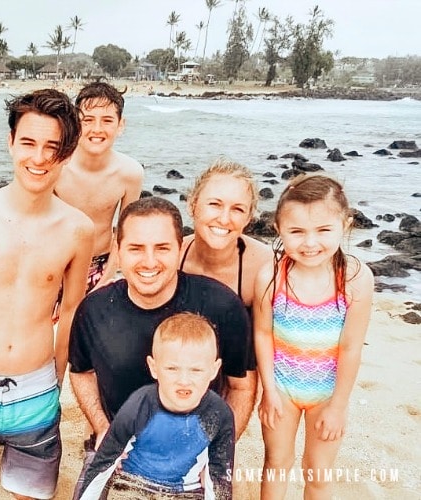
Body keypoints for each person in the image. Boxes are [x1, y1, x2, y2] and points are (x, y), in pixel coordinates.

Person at [0, 88, 95, 499]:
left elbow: (74, 308)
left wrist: (56, 379)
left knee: (31, 494)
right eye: (28, 143)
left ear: (66, 153)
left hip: (37, 387)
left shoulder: (78, 230)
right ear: (11, 142)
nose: (38, 158)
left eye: (52, 147)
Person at [68, 196, 252, 499]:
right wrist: (102, 427)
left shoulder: (222, 306)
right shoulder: (94, 309)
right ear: (118, 250)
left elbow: (242, 387)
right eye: (136, 248)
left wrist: (215, 447)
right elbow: (81, 372)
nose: (149, 261)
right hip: (121, 448)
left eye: (162, 248)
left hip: (195, 454)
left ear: (180, 249)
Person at [253, 173, 373, 499]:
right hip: (283, 388)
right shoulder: (270, 276)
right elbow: (262, 333)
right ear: (278, 229)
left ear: (345, 224)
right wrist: (269, 390)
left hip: (327, 391)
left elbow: (350, 347)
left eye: (323, 230)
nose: (309, 243)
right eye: (296, 232)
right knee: (276, 463)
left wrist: (339, 405)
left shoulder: (356, 279)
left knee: (318, 472)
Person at [79, 312, 234, 500]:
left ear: (214, 370)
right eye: (172, 368)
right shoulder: (139, 406)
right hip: (133, 483)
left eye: (196, 370)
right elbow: (103, 463)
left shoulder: (219, 415)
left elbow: (219, 477)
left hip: (186, 490)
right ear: (154, 367)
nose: (184, 380)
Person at [180, 159, 270, 436]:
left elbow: (258, 354)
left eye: (237, 209)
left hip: (236, 368)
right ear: (193, 204)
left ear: (249, 217)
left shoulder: (262, 266)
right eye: (215, 204)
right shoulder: (175, 256)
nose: (224, 218)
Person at [54, 81, 144, 293]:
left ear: (121, 125)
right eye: (88, 120)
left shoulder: (130, 173)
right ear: (76, 123)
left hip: (101, 265)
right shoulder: (57, 167)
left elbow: (125, 231)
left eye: (107, 120)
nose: (97, 129)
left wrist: (107, 276)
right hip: (56, 260)